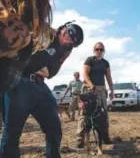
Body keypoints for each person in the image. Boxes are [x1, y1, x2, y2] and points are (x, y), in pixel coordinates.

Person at [0, 22, 84, 158]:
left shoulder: (63, 50)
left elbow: (49, 73)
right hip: (19, 82)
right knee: (11, 134)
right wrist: (32, 62)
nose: (69, 41)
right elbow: (21, 57)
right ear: (63, 29)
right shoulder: (43, 31)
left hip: (39, 85)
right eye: (69, 34)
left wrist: (38, 61)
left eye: (73, 43)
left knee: (54, 127)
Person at [76, 42, 114, 148]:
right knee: (84, 113)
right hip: (88, 88)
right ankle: (80, 138)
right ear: (94, 50)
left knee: (103, 113)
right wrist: (91, 86)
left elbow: (109, 77)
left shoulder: (105, 63)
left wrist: (112, 90)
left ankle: (105, 135)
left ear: (104, 51)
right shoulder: (90, 60)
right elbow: (85, 74)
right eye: (97, 49)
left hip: (101, 89)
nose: (99, 51)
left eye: (101, 49)